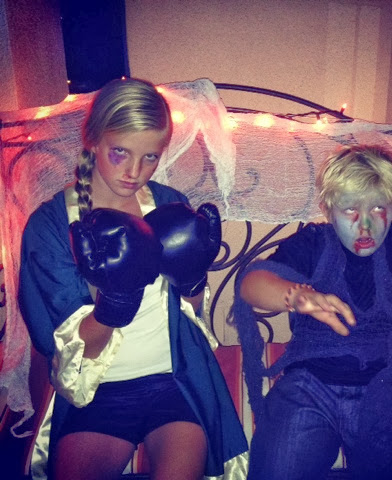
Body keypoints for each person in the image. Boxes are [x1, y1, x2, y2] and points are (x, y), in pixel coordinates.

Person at [19, 77, 248, 480]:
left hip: (173, 382)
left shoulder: (169, 204)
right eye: (120, 152)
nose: (134, 172)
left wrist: (192, 279)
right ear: (93, 139)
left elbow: (190, 314)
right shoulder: (51, 226)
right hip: (97, 392)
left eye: (150, 157)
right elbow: (65, 350)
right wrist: (116, 302)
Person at [233, 145, 392, 480]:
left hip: (390, 382)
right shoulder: (313, 243)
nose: (366, 226)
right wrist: (297, 297)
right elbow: (252, 284)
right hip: (309, 384)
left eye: (378, 208)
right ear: (328, 210)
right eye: (350, 210)